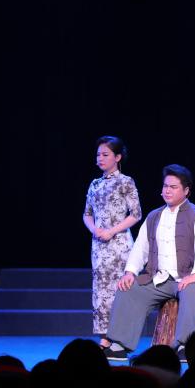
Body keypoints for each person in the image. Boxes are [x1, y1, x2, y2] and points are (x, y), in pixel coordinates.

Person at [103, 165, 195, 362]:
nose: (167, 190)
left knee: (191, 290)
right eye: (165, 186)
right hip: (159, 279)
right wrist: (130, 272)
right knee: (128, 288)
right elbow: (140, 248)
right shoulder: (154, 216)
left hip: (189, 278)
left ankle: (184, 345)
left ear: (186, 190)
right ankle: (119, 345)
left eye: (173, 187)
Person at [83, 136, 142, 347]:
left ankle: (120, 337)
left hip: (119, 245)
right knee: (101, 291)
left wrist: (111, 231)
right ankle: (104, 337)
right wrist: (95, 229)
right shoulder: (95, 184)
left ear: (117, 157)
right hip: (99, 246)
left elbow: (136, 214)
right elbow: (87, 214)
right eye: (98, 154)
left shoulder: (125, 181)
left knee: (120, 290)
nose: (100, 158)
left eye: (105, 154)